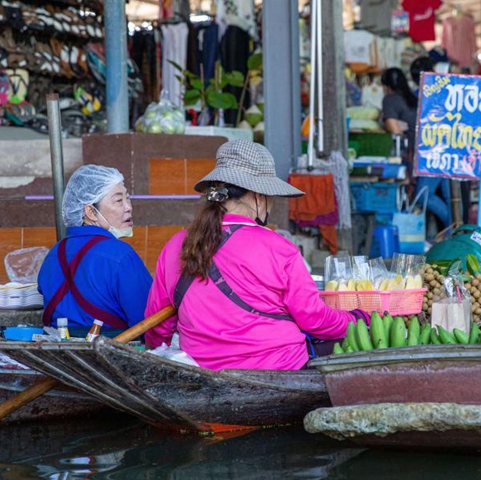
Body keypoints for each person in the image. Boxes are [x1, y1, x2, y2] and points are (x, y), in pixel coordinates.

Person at [144, 140, 367, 370]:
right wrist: (359, 320)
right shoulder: (279, 247)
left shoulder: (175, 245)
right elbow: (314, 319)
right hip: (278, 367)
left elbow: (156, 331)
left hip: (201, 371)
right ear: (259, 196)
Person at [38, 165, 152, 331]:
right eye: (119, 201)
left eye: (128, 198)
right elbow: (147, 320)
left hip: (59, 353)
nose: (128, 207)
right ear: (91, 212)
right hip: (112, 352)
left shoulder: (54, 253)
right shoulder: (121, 255)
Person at [384, 65, 452, 233]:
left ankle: (456, 229)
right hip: (442, 148)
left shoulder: (391, 99)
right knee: (447, 197)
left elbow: (394, 128)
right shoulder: (414, 98)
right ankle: (454, 232)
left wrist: (393, 125)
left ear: (385, 85)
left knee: (422, 196)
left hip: (426, 155)